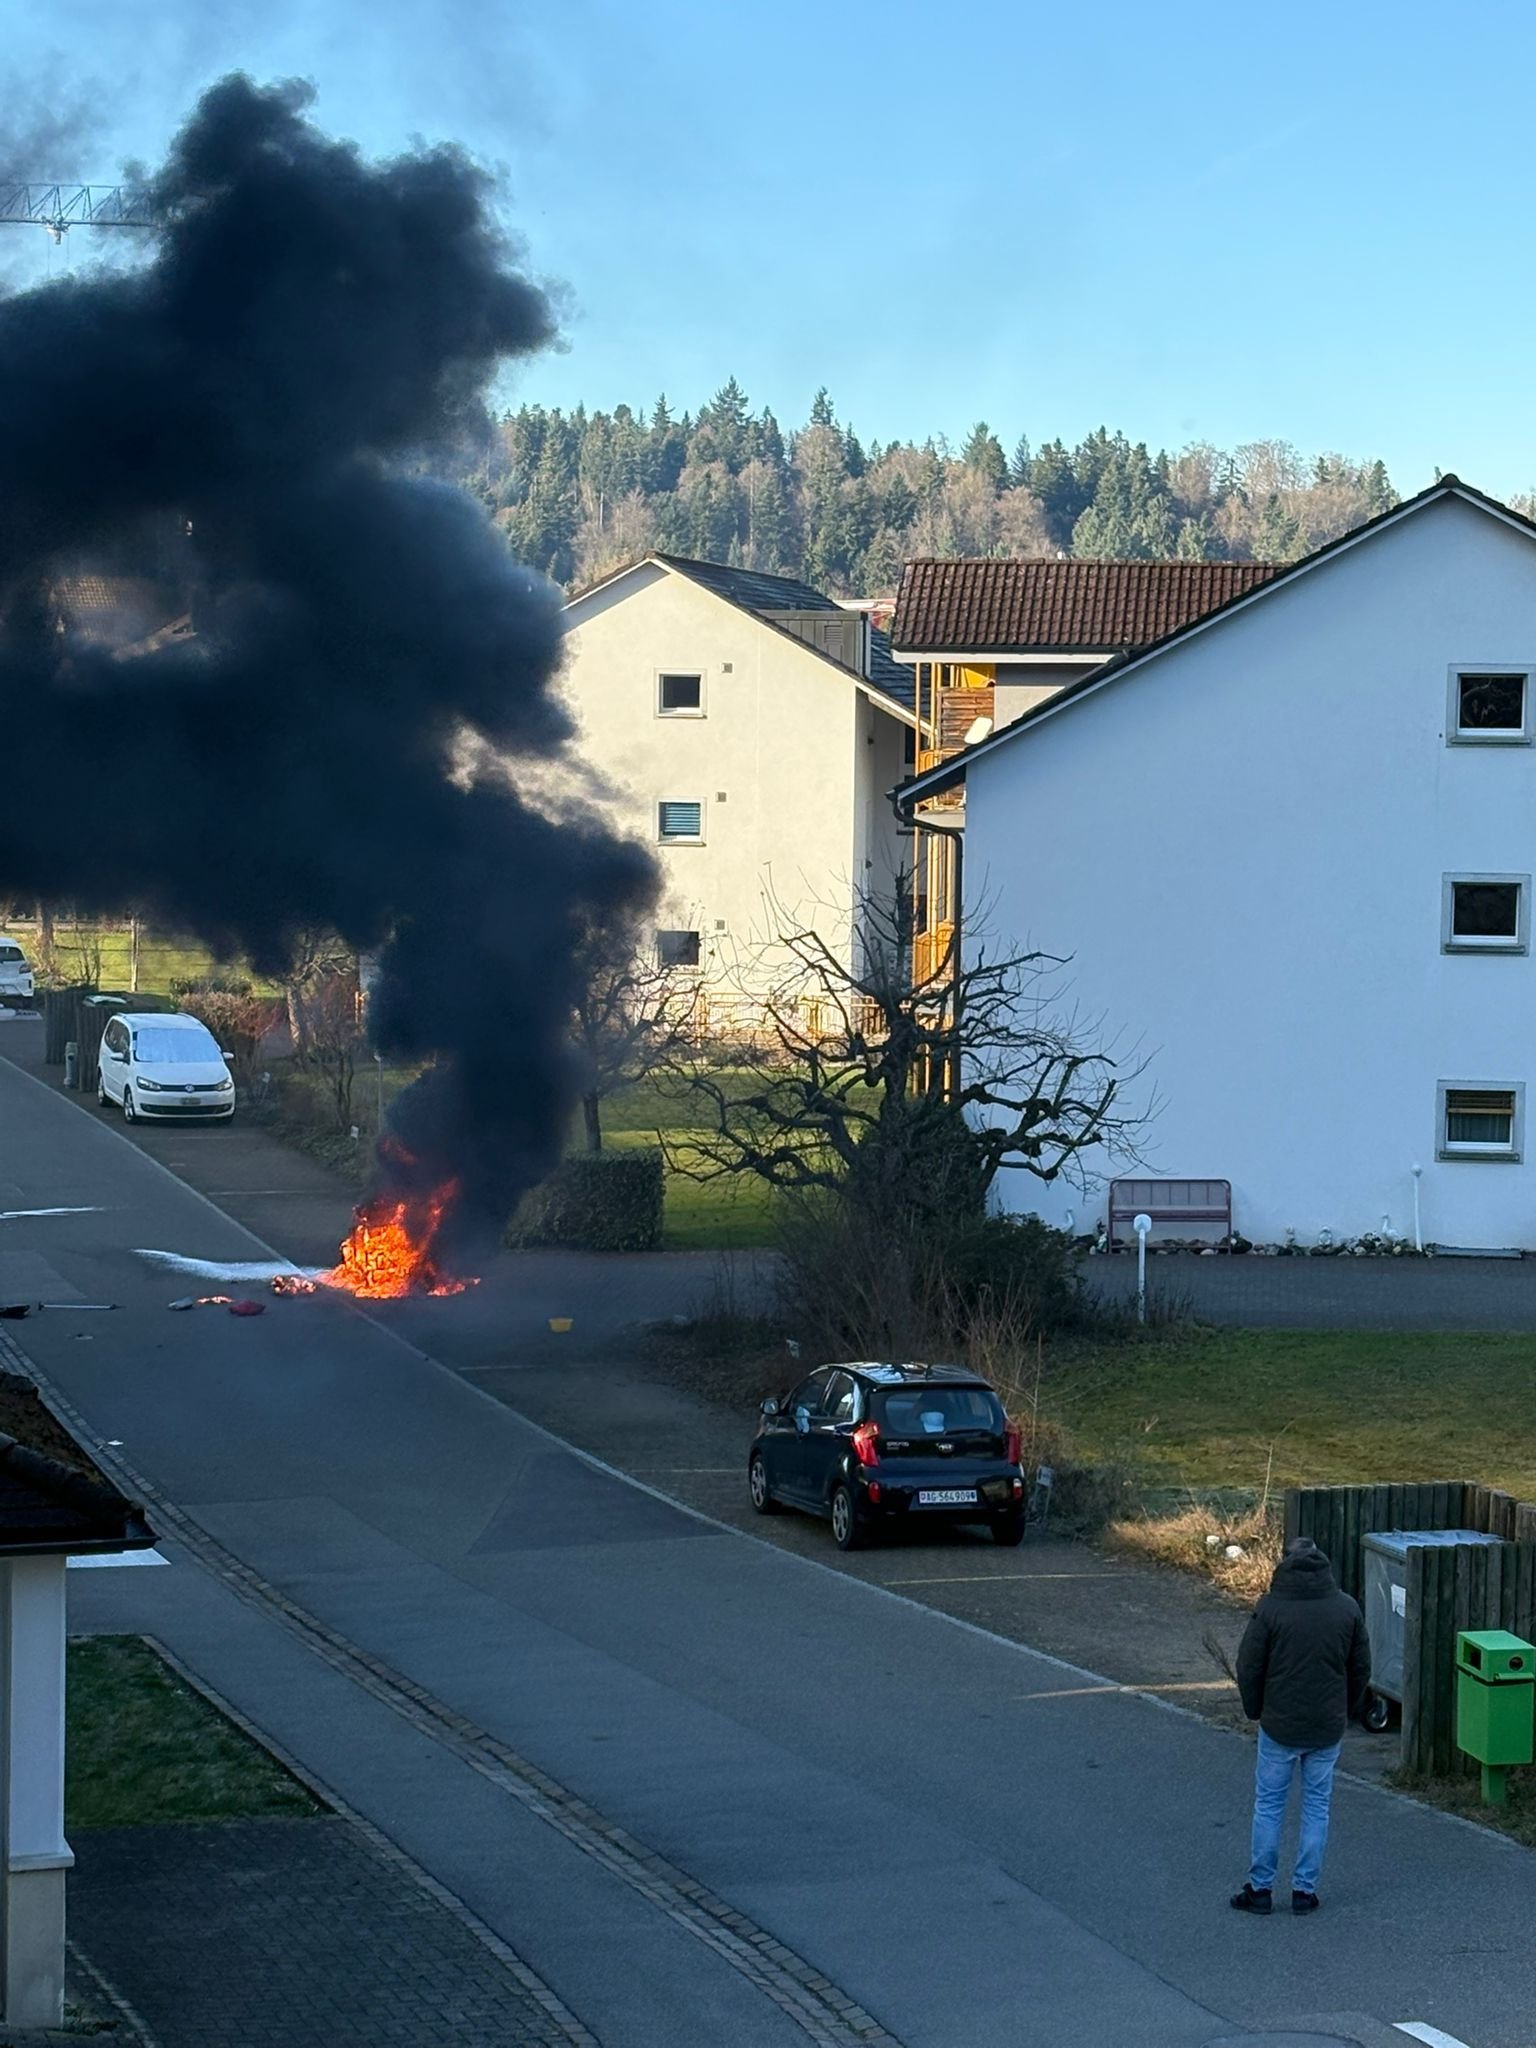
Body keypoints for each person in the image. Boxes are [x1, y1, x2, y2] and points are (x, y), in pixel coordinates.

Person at [1230, 1535, 1371, 1916]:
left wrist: (1255, 1709)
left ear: (1283, 1566)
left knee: (1270, 1805)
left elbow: (1249, 1665)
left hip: (1279, 1723)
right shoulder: (1346, 1608)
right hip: (1326, 1725)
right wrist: (1346, 1709)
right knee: (1317, 1806)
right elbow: (1360, 1667)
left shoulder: (1270, 1608)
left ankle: (1260, 1889)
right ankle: (1304, 1891)